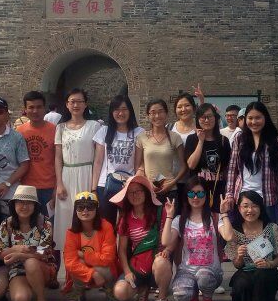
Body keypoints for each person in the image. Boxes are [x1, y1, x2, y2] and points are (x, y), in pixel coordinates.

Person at [111, 175, 173, 301]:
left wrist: (167, 251)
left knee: (161, 263)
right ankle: (142, 288)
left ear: (146, 192)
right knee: (120, 292)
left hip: (157, 264)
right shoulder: (126, 218)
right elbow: (121, 250)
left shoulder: (160, 212)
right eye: (131, 192)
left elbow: (170, 239)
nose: (135, 195)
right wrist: (127, 272)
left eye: (138, 191)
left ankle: (162, 299)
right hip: (137, 266)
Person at [162, 176, 223, 301]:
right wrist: (169, 216)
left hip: (210, 271)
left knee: (204, 277)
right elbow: (165, 241)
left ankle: (207, 300)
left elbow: (229, 236)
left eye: (200, 193)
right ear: (186, 196)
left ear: (206, 195)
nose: (195, 197)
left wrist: (224, 213)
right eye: (191, 193)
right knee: (181, 294)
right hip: (187, 270)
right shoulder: (180, 219)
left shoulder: (215, 217)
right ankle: (193, 293)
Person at [219, 190, 278, 301]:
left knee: (262, 276)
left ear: (260, 208)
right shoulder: (235, 231)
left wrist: (269, 264)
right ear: (239, 208)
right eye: (245, 206)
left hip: (267, 272)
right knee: (241, 284)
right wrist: (239, 256)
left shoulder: (272, 228)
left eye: (254, 206)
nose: (250, 210)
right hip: (246, 271)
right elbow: (237, 265)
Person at [54, 89, 101, 252]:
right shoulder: (60, 128)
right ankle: (67, 259)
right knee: (66, 215)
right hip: (67, 176)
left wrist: (94, 186)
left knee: (87, 215)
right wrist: (59, 184)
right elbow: (58, 158)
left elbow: (98, 159)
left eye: (79, 101)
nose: (76, 105)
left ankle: (88, 255)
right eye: (72, 101)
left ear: (85, 104)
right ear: (67, 104)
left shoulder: (94, 126)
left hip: (87, 174)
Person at [0, 185, 56, 301]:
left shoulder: (44, 223)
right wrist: (15, 249)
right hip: (18, 269)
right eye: (20, 202)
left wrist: (19, 255)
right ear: (13, 204)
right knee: (20, 300)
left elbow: (43, 252)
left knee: (30, 263)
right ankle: (30, 286)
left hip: (42, 266)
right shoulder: (6, 224)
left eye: (29, 203)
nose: (24, 206)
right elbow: (1, 252)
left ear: (35, 205)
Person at [225, 101, 278, 222]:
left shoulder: (275, 141)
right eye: (250, 118)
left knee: (269, 231)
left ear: (265, 118)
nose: (254, 122)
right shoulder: (239, 139)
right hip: (243, 196)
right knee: (242, 231)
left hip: (268, 197)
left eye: (258, 118)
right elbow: (232, 170)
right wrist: (229, 194)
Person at [63, 191, 121, 301]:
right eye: (80, 207)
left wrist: (82, 254)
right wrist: (92, 274)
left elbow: (108, 258)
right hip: (90, 271)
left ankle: (110, 291)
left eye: (90, 206)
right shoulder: (71, 232)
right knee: (77, 264)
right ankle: (79, 292)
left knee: (104, 267)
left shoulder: (106, 227)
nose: (85, 211)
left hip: (104, 270)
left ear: (97, 209)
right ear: (75, 210)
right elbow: (70, 263)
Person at [91, 94, 144, 226]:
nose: (121, 113)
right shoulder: (104, 131)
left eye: (124, 109)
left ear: (130, 111)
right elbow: (98, 162)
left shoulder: (139, 132)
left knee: (128, 224)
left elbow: (139, 163)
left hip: (129, 186)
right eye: (116, 109)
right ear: (111, 112)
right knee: (106, 224)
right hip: (105, 185)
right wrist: (93, 189)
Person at [135, 98, 186, 200]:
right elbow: (137, 165)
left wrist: (172, 183)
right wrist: (147, 183)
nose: (157, 116)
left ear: (166, 114)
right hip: (148, 190)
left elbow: (184, 166)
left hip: (170, 190)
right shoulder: (142, 137)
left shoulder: (175, 137)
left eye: (160, 112)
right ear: (148, 116)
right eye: (153, 113)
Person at [16, 91, 58, 212]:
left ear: (45, 108)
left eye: (39, 107)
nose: (35, 111)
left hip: (49, 187)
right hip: (26, 187)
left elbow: (60, 160)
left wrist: (57, 188)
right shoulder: (19, 131)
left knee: (48, 222)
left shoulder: (55, 130)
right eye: (31, 107)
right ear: (25, 109)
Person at [184, 102, 231, 207]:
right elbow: (191, 165)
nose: (206, 120)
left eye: (209, 116)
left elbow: (227, 169)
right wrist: (201, 141)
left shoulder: (224, 141)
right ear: (198, 119)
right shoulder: (192, 139)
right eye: (203, 117)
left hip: (218, 190)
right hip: (197, 192)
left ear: (215, 118)